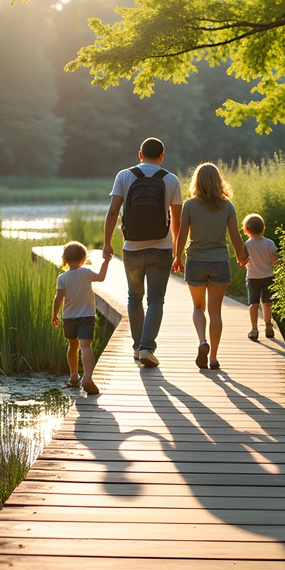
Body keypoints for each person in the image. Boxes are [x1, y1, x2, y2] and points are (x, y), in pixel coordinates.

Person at [103, 137, 183, 368]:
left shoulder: (124, 176)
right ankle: (148, 347)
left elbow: (112, 213)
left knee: (134, 298)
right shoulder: (171, 179)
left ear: (140, 154)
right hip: (162, 248)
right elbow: (177, 222)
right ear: (161, 156)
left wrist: (107, 244)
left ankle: (138, 347)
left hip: (132, 249)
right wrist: (178, 253)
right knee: (156, 299)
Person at [172, 162, 249, 370]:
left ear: (196, 181)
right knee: (215, 312)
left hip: (196, 260)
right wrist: (242, 256)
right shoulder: (227, 206)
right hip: (220, 261)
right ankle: (213, 358)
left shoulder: (189, 205)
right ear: (218, 181)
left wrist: (177, 257)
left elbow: (181, 236)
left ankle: (201, 342)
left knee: (198, 307)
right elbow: (235, 237)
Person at [52, 241, 111, 394]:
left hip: (69, 317)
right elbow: (101, 277)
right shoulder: (86, 272)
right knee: (85, 346)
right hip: (86, 316)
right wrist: (106, 261)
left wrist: (54, 315)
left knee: (72, 346)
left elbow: (58, 298)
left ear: (65, 259)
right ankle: (87, 377)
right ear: (83, 259)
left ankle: (73, 376)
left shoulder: (62, 278)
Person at [241, 212, 285, 341]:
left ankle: (254, 329)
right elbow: (275, 260)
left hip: (253, 278)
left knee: (253, 303)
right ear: (263, 228)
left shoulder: (247, 245)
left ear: (246, 230)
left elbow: (243, 260)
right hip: (268, 277)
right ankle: (268, 325)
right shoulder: (269, 243)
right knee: (267, 302)